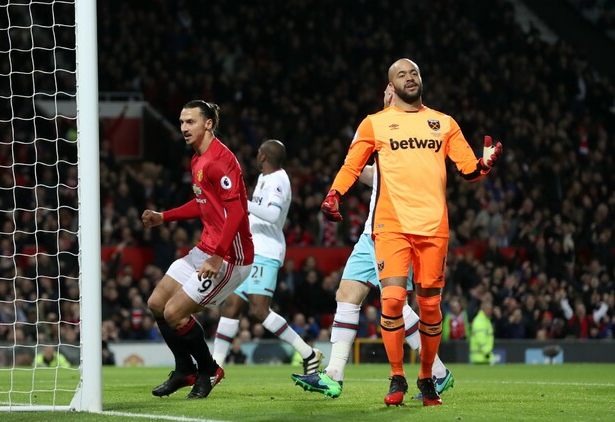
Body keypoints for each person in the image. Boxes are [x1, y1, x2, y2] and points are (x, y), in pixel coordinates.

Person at [317, 58, 502, 406]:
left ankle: (428, 377)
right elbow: (352, 165)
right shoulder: (374, 123)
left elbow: (468, 169)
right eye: (401, 74)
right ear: (391, 85)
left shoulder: (444, 123)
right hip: (391, 226)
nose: (409, 77)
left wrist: (484, 164)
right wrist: (334, 194)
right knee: (392, 301)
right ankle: (396, 377)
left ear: (421, 79)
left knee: (430, 308)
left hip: (433, 227)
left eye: (414, 72)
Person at [291, 92, 454, 398]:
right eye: (387, 90)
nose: (389, 94)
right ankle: (334, 375)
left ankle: (437, 372)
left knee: (396, 306)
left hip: (397, 231)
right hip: (371, 233)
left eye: (393, 89)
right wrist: (350, 171)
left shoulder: (415, 134)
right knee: (347, 294)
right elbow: (371, 175)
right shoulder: (379, 132)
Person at [141, 100, 254, 399]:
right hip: (206, 249)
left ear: (208, 123)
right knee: (157, 303)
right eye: (181, 122)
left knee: (175, 312)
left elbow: (236, 212)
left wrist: (217, 257)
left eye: (190, 121)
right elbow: (203, 203)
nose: (183, 127)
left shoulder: (221, 160)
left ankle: (209, 370)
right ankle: (184, 370)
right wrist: (164, 217)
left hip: (231, 257)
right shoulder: (197, 160)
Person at [212, 139, 323, 373]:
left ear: (263, 156)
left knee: (259, 310)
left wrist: (243, 203)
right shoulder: (264, 178)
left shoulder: (278, 180)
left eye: (258, 152)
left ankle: (308, 353)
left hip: (266, 251)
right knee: (231, 305)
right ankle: (215, 367)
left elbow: (272, 215)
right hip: (250, 250)